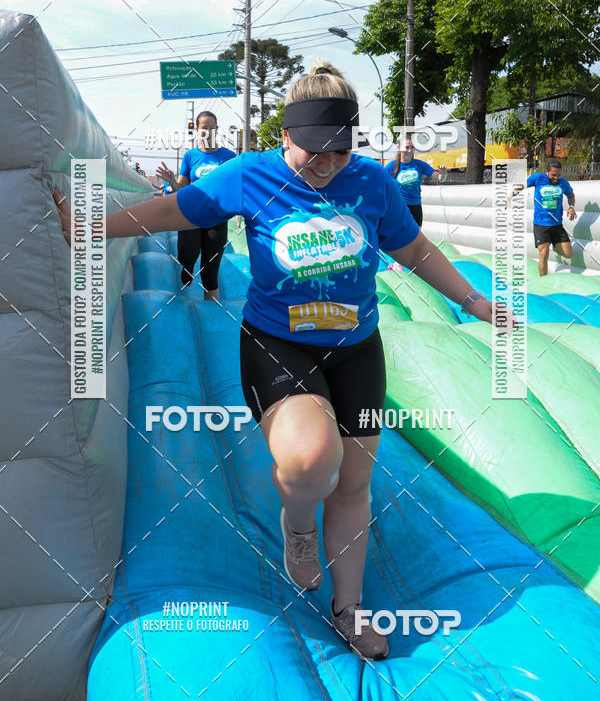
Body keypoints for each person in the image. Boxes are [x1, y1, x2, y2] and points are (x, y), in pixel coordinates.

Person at [53, 60, 510, 661]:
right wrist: (90, 226)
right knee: (313, 461)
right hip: (278, 344)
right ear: (284, 135)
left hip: (356, 349)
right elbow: (172, 212)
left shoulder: (372, 184)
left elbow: (416, 248)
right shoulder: (250, 176)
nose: (325, 166)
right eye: (313, 151)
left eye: (339, 153)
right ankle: (298, 522)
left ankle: (349, 611)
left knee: (353, 484)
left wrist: (474, 299)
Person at [156, 111, 236, 299]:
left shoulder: (229, 156)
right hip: (190, 214)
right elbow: (180, 189)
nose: (208, 132)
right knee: (188, 254)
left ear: (217, 130)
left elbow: (235, 186)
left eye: (211, 128)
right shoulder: (190, 156)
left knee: (210, 270)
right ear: (197, 131)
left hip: (216, 217)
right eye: (204, 128)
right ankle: (188, 266)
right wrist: (172, 181)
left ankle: (210, 315)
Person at [509, 158, 576, 276]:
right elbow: (522, 186)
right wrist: (510, 197)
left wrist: (571, 207)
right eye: (554, 175)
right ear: (547, 171)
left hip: (556, 225)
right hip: (541, 224)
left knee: (568, 254)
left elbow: (571, 195)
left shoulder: (563, 182)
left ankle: (555, 246)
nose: (556, 178)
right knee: (544, 253)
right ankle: (543, 281)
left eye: (559, 175)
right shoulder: (538, 178)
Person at [386, 136, 446, 226]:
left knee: (417, 238)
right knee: (401, 237)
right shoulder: (391, 166)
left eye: (412, 147)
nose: (410, 150)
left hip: (416, 207)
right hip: (399, 207)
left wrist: (444, 173)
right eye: (406, 147)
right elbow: (381, 185)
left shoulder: (420, 165)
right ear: (399, 147)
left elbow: (440, 178)